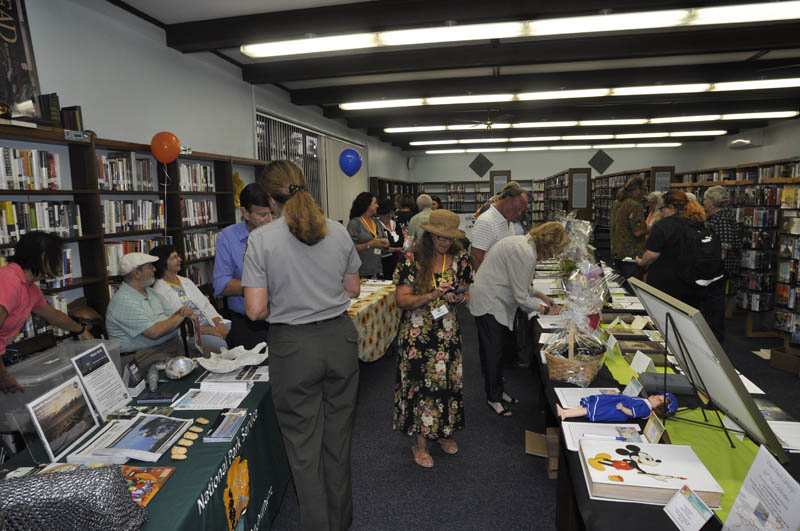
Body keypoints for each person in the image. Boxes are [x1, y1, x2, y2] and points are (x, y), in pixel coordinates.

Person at [243, 160, 361, 531]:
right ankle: (341, 523)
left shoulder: (261, 239)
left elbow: (255, 309)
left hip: (294, 348)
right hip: (339, 341)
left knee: (303, 448)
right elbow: (353, 289)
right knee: (338, 443)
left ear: (268, 197)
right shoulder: (338, 232)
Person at [393, 209, 473, 468]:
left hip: (447, 332)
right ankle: (420, 444)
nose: (444, 243)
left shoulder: (460, 258)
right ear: (429, 235)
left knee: (448, 383)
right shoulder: (411, 258)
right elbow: (402, 300)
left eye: (449, 239)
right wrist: (431, 295)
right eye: (439, 238)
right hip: (418, 334)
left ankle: (443, 433)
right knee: (420, 386)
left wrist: (458, 296)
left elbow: (465, 289)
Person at [469, 222, 569, 417]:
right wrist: (546, 309)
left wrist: (542, 296)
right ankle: (493, 398)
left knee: (499, 352)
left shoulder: (523, 245)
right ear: (548, 245)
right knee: (493, 353)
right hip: (490, 302)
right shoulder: (526, 253)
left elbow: (521, 283)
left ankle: (498, 391)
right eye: (555, 251)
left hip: (494, 299)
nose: (554, 256)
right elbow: (521, 297)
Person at [0, 232, 94, 392]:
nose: (58, 264)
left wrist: (81, 330)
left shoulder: (30, 287)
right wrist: (3, 375)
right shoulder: (9, 280)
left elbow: (54, 316)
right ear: (43, 257)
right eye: (56, 258)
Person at [213, 183, 272, 349]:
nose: (269, 220)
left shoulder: (279, 234)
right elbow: (221, 285)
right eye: (262, 215)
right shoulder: (228, 238)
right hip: (247, 325)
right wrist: (259, 286)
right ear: (245, 213)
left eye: (271, 214)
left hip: (281, 320)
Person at [106, 252, 193, 356]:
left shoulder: (151, 292)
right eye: (150, 267)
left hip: (168, 347)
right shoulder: (123, 301)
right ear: (137, 274)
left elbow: (172, 316)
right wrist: (181, 315)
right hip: (141, 357)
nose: (154, 269)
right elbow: (154, 332)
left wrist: (178, 314)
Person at [151, 244, 229, 354]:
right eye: (174, 257)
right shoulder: (159, 290)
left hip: (210, 323)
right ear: (163, 263)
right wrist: (209, 330)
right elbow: (174, 324)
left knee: (238, 333)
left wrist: (218, 323)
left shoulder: (185, 281)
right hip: (192, 333)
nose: (180, 259)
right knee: (221, 345)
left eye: (178, 256)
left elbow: (205, 304)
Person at [635, 191, 708, 308]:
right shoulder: (695, 224)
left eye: (662, 208)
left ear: (670, 207)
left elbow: (652, 254)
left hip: (664, 280)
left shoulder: (662, 226)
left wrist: (641, 262)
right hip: (689, 280)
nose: (660, 212)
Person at [703, 186, 739, 342]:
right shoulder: (716, 217)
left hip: (719, 268)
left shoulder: (722, 218)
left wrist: (713, 263)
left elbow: (725, 245)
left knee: (715, 302)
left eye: (705, 199)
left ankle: (714, 338)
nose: (703, 202)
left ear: (712, 202)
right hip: (715, 267)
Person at [470, 182, 529, 270]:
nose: (518, 213)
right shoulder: (486, 221)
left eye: (521, 210)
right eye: (517, 209)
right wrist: (488, 282)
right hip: (490, 281)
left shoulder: (508, 220)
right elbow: (476, 258)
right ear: (508, 200)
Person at [610, 177, 647, 281]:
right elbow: (638, 232)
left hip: (617, 252)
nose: (645, 193)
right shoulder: (635, 205)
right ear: (637, 190)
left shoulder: (617, 203)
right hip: (632, 255)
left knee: (621, 288)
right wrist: (653, 227)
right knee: (633, 289)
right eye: (644, 189)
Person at [347, 191, 389, 279]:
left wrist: (385, 243)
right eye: (375, 203)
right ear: (367, 205)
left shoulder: (377, 222)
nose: (377, 206)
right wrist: (370, 244)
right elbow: (350, 248)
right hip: (362, 272)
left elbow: (384, 243)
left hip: (378, 269)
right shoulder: (355, 223)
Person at [557, 392, 678, 422]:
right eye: (658, 395)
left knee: (588, 410)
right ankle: (566, 410)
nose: (656, 396)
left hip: (615, 410)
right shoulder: (645, 402)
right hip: (614, 403)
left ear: (659, 408)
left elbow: (632, 413)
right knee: (588, 405)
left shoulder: (645, 408)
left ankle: (565, 414)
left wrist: (622, 408)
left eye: (659, 399)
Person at [376, 199, 404, 281]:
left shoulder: (396, 224)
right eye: (386, 214)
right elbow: (379, 248)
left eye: (390, 213)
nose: (389, 216)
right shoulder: (376, 226)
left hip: (397, 262)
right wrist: (396, 249)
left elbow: (402, 242)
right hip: (383, 264)